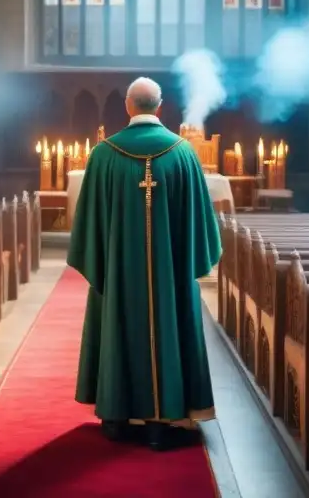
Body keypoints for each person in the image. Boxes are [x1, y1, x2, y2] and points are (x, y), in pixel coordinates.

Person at [68, 77, 222, 451]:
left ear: (127, 105)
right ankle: (163, 419)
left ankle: (117, 417)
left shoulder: (105, 154)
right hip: (170, 280)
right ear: (160, 106)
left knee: (117, 324)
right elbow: (201, 225)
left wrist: (104, 261)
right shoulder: (184, 154)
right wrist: (185, 264)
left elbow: (88, 224)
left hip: (120, 277)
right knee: (168, 322)